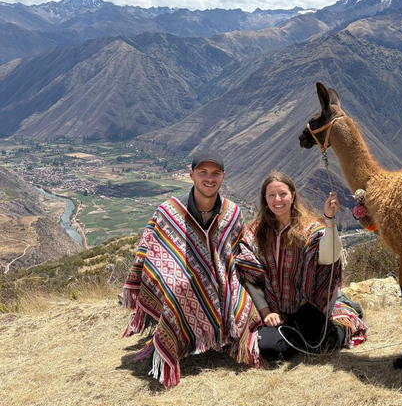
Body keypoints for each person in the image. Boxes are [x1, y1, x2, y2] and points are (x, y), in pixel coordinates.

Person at [121, 151, 261, 388]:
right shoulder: (169, 211)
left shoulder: (232, 212)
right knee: (176, 290)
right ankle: (173, 344)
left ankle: (225, 338)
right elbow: (150, 251)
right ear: (191, 175)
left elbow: (242, 250)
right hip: (182, 285)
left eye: (215, 173)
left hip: (225, 283)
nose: (209, 178)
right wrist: (172, 279)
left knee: (241, 302)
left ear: (223, 177)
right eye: (203, 172)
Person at [236, 171, 367, 361]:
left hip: (308, 307)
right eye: (271, 195)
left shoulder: (309, 229)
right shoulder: (256, 232)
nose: (277, 200)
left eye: (283, 194)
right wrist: (266, 312)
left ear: (293, 195)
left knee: (319, 345)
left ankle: (345, 317)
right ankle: (298, 331)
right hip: (275, 309)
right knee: (270, 349)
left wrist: (329, 220)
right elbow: (250, 274)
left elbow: (330, 256)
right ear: (265, 198)